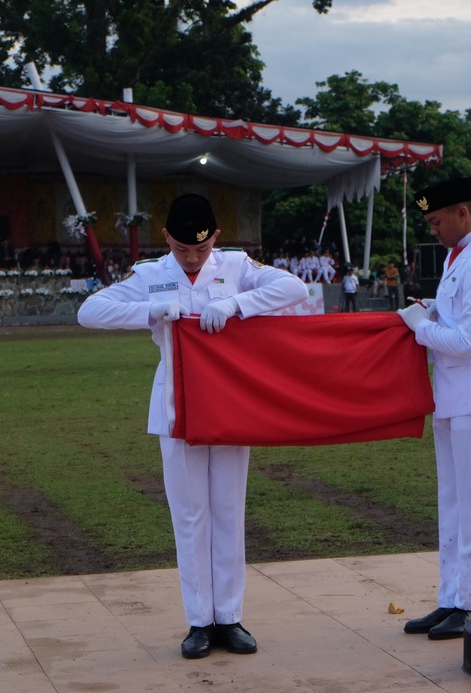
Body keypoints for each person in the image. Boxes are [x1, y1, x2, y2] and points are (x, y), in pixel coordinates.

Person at [77, 193, 308, 660]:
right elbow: (89, 312)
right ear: (167, 239)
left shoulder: (236, 266)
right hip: (175, 403)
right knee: (190, 516)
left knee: (228, 510)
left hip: (227, 403)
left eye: (201, 250)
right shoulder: (150, 275)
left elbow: (294, 289)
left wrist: (239, 305)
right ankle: (199, 620)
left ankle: (230, 617)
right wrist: (151, 311)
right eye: (183, 249)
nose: (192, 259)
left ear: (215, 240)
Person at [397, 177, 471, 641]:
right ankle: (451, 597)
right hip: (451, 394)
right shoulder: (456, 257)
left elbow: (467, 342)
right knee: (452, 502)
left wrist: (422, 328)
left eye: (437, 219)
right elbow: (451, 321)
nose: (435, 228)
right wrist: (428, 313)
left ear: (463, 214)